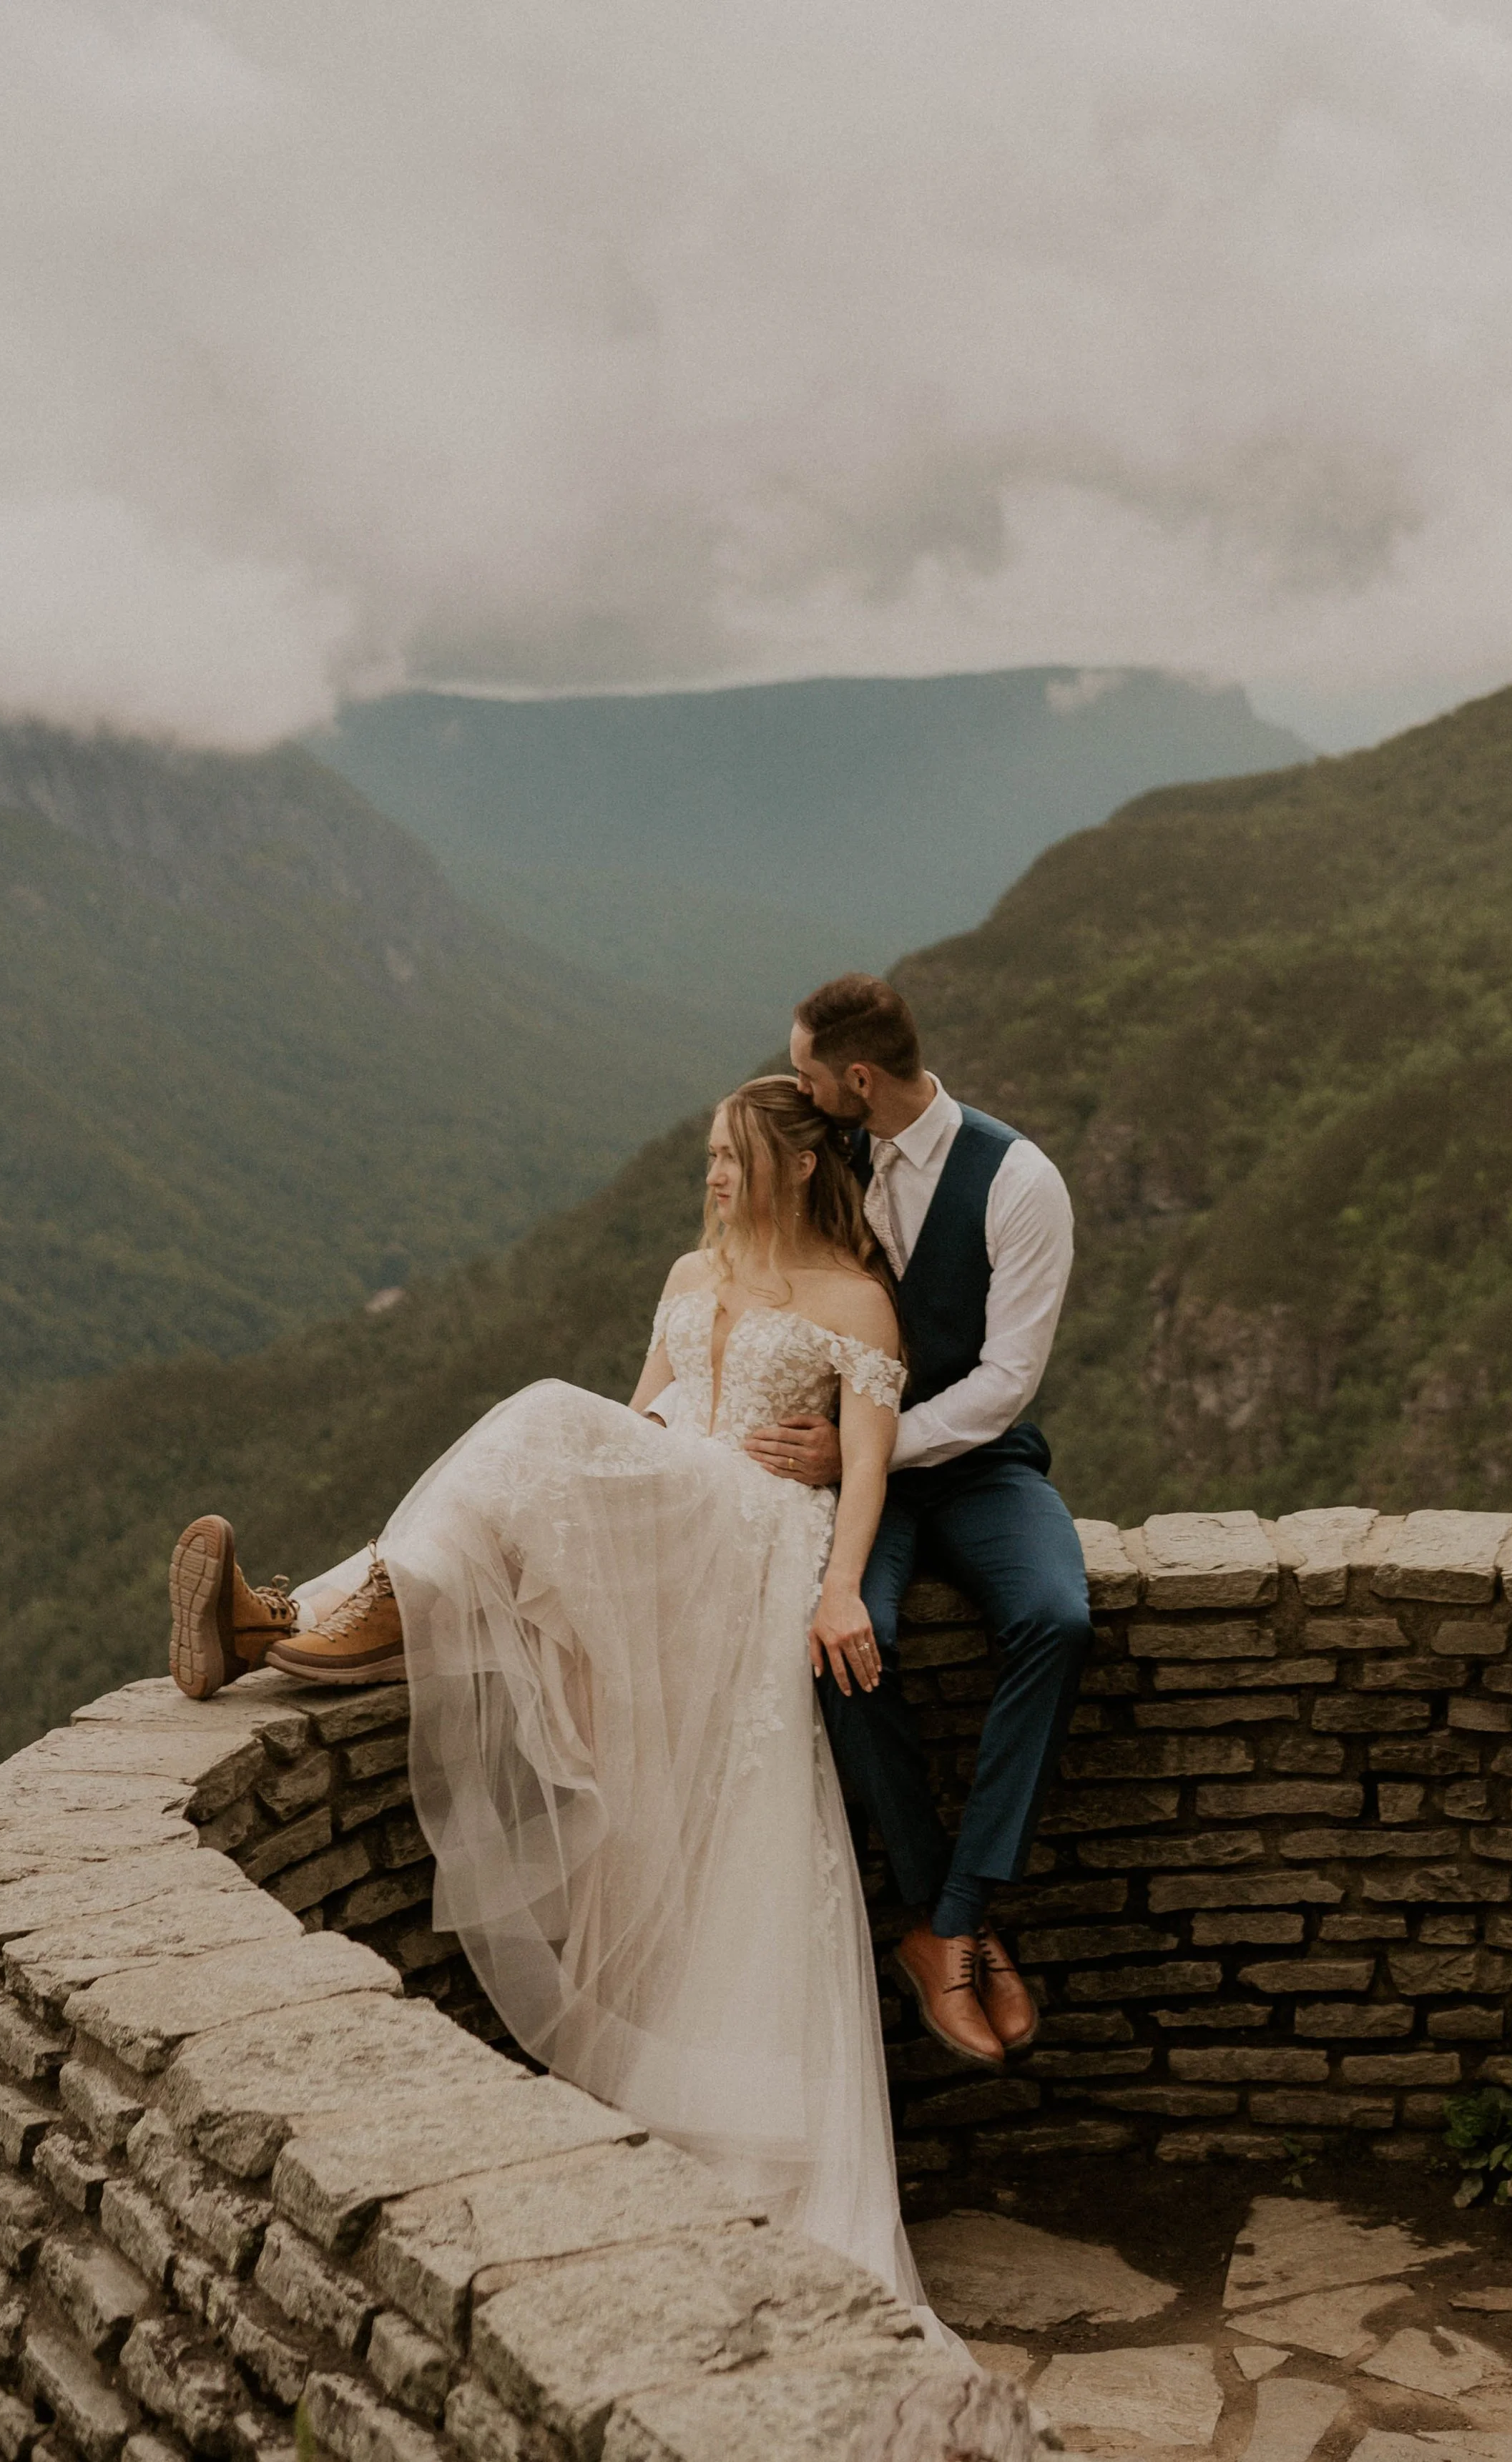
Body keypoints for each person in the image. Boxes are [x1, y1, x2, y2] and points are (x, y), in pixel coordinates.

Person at [164, 1076, 943, 2327]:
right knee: (527, 1483)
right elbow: (636, 1414)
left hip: (756, 1531)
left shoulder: (858, 1301)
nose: (715, 1175)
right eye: (707, 1158)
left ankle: (292, 1617)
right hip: (677, 1506)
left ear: (799, 1165)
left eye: (733, 1156)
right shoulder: (692, 1278)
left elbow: (866, 1471)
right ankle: (295, 1622)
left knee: (531, 1418)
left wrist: (842, 1587)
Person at [745, 974, 1093, 2075]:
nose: (800, 1090)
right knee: (855, 1644)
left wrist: (868, 1448)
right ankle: (953, 1919)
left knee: (1058, 1615)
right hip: (856, 1479)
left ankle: (952, 1914)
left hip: (977, 1465)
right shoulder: (823, 1156)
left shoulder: (1021, 1182)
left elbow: (1005, 1382)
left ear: (859, 1077)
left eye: (808, 1073)